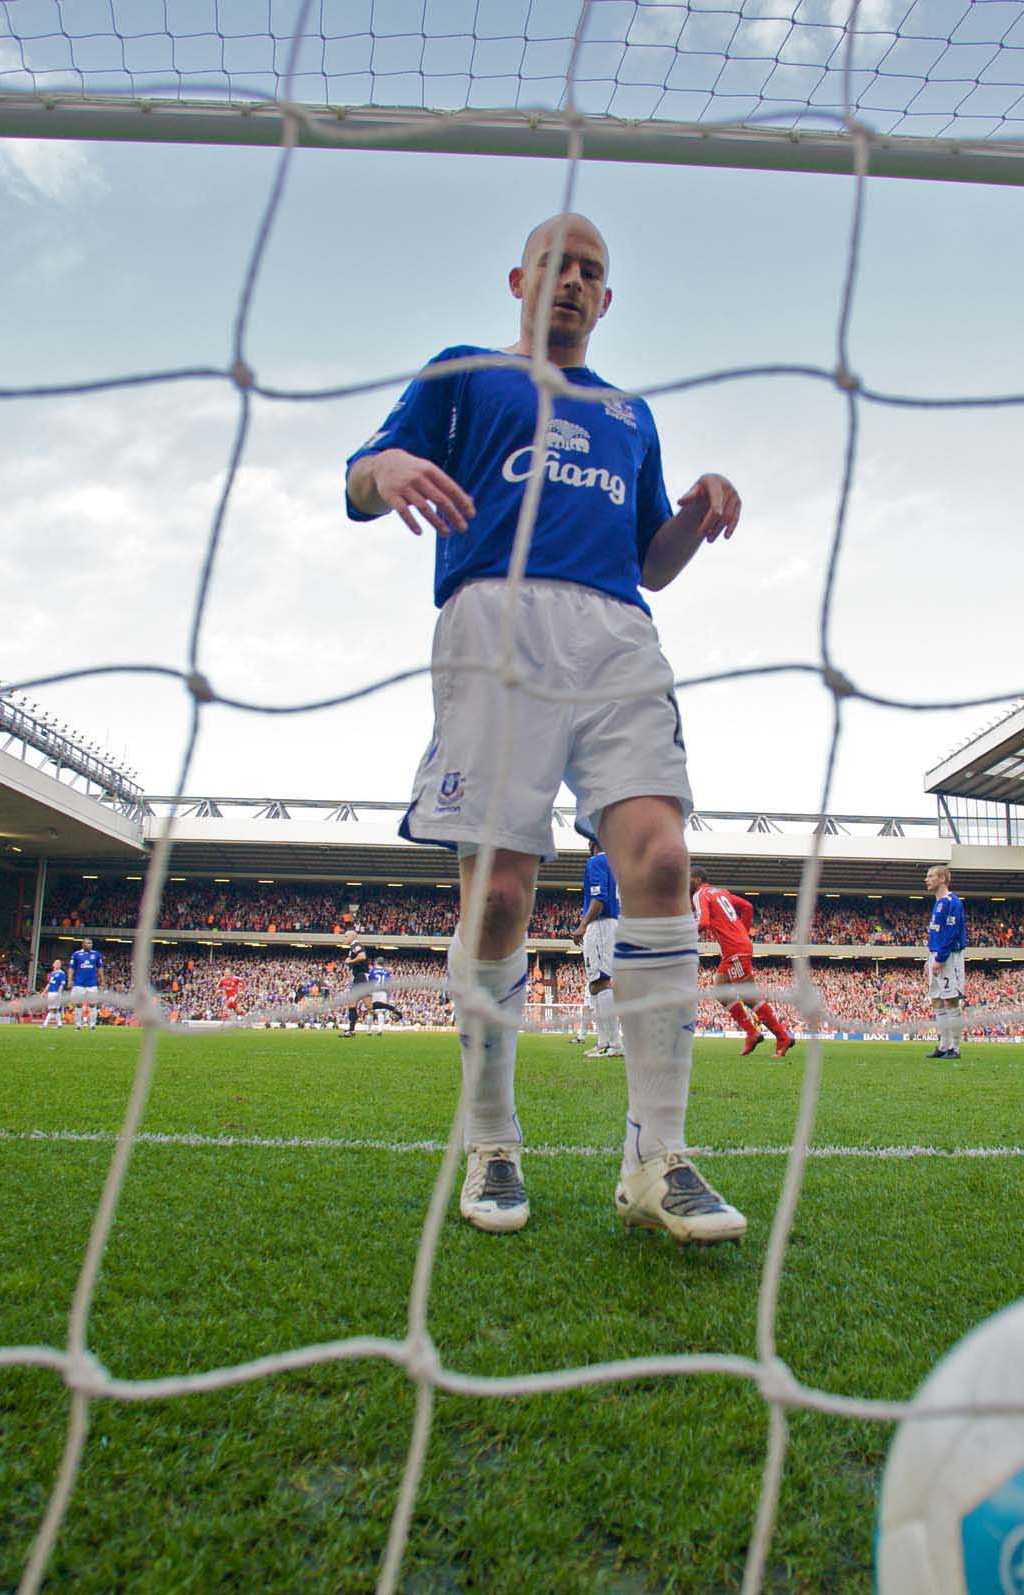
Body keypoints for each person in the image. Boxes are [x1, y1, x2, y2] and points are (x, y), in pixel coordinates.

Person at [345, 211, 749, 1245]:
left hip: (617, 629)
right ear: (519, 278)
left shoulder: (629, 412)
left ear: (606, 299)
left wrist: (696, 512)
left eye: (591, 271)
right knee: (503, 893)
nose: (571, 281)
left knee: (662, 858)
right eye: (557, 265)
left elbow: (650, 559)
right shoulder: (464, 373)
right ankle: (491, 1137)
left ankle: (658, 1155)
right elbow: (361, 476)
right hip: (497, 621)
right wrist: (385, 471)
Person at [691, 866, 793, 1057]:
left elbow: (703, 923)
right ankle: (751, 1032)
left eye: (688, 879)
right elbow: (747, 907)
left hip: (735, 950)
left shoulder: (699, 894)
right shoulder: (721, 892)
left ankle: (782, 1036)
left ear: (696, 880)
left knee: (748, 996)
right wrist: (743, 932)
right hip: (734, 950)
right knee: (721, 991)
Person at [579, 848, 623, 1058]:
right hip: (610, 924)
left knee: (601, 982)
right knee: (595, 984)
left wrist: (583, 924)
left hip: (600, 925)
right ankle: (603, 1042)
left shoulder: (597, 861)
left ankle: (614, 1044)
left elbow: (599, 898)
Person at [925, 866, 969, 1059]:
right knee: (936, 999)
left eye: (930, 876)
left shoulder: (953, 902)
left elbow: (951, 933)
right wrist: (931, 957)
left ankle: (955, 1048)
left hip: (949, 956)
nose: (926, 879)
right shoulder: (938, 903)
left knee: (950, 999)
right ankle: (943, 1045)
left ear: (942, 879)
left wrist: (940, 958)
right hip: (935, 954)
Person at [69, 938, 104, 1031]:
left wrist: (102, 980)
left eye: (91, 943)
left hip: (92, 984)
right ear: (83, 944)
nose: (89, 944)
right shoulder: (76, 954)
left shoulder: (96, 954)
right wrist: (69, 980)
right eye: (87, 943)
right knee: (78, 1005)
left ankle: (92, 1025)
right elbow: (71, 968)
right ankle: (78, 1025)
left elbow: (100, 968)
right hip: (79, 984)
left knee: (93, 1005)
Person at [342, 939, 373, 1038]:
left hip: (362, 978)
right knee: (354, 1004)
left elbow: (362, 956)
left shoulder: (356, 945)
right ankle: (352, 1030)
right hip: (358, 978)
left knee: (369, 1006)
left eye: (346, 936)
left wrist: (350, 961)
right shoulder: (352, 948)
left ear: (352, 936)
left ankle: (365, 1029)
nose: (344, 938)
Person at [368, 960, 400, 1032]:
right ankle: (380, 1031)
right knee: (381, 1012)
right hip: (383, 992)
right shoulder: (387, 972)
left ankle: (369, 1031)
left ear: (376, 963)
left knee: (371, 1011)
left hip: (374, 991)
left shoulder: (372, 970)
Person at [43, 959, 68, 1028]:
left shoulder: (62, 973)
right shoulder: (52, 973)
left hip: (56, 992)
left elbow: (61, 984)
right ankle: (59, 1024)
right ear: (53, 964)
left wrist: (58, 993)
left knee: (52, 1009)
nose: (57, 964)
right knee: (54, 1009)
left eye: (58, 963)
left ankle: (45, 1024)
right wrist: (44, 992)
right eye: (56, 963)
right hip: (50, 992)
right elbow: (49, 984)